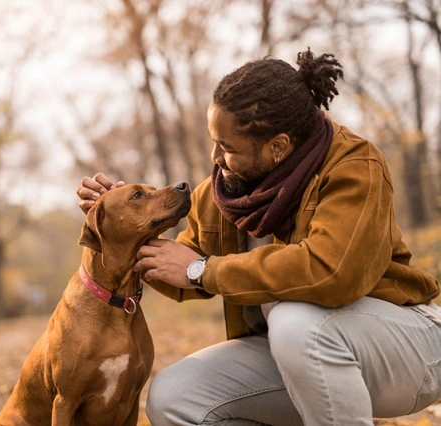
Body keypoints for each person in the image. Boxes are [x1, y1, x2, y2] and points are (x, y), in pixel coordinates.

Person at [76, 49, 441, 426]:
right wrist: (121, 219)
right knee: (175, 396)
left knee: (295, 321)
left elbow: (331, 272)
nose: (215, 156)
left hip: (408, 349)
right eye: (214, 141)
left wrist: (203, 271)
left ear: (278, 147)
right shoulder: (228, 192)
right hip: (297, 356)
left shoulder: (354, 167)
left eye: (228, 147)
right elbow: (180, 265)